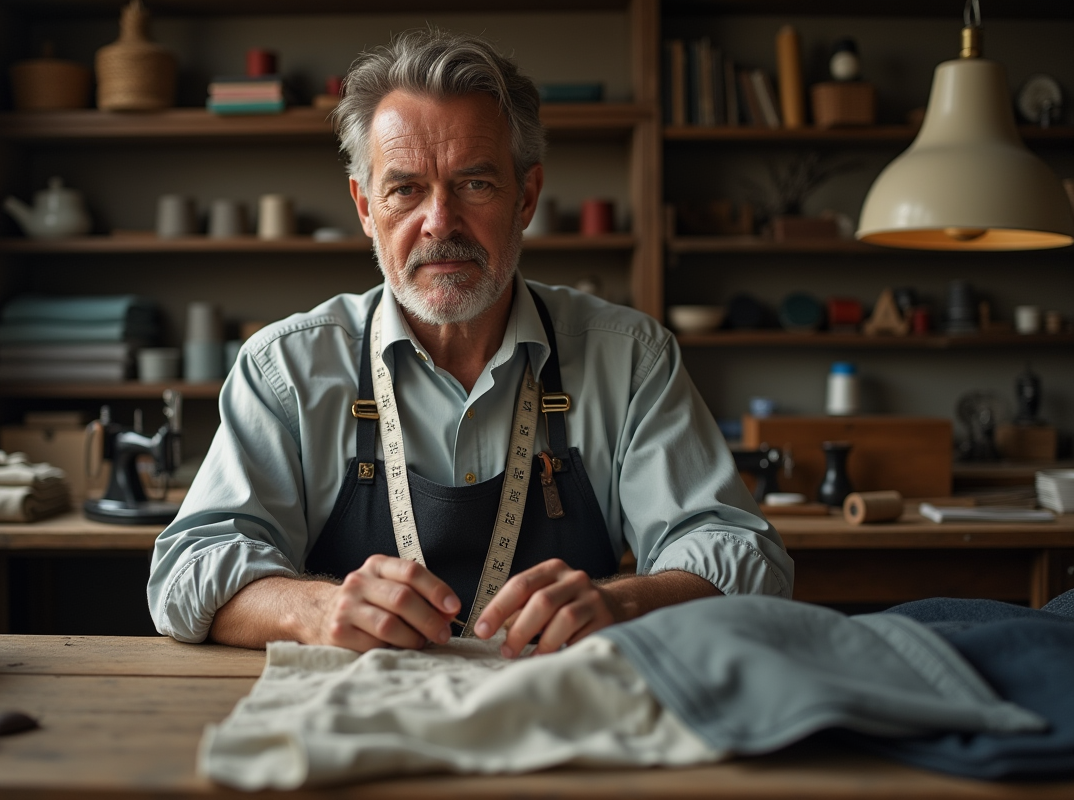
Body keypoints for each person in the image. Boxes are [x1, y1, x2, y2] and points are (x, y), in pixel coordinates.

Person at [147, 29, 792, 659]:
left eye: (474, 183)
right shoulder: (284, 368)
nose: (440, 222)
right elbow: (187, 572)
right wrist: (317, 609)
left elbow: (746, 558)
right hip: (349, 710)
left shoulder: (631, 359)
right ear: (366, 207)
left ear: (526, 198)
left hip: (561, 705)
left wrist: (621, 604)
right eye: (405, 189)